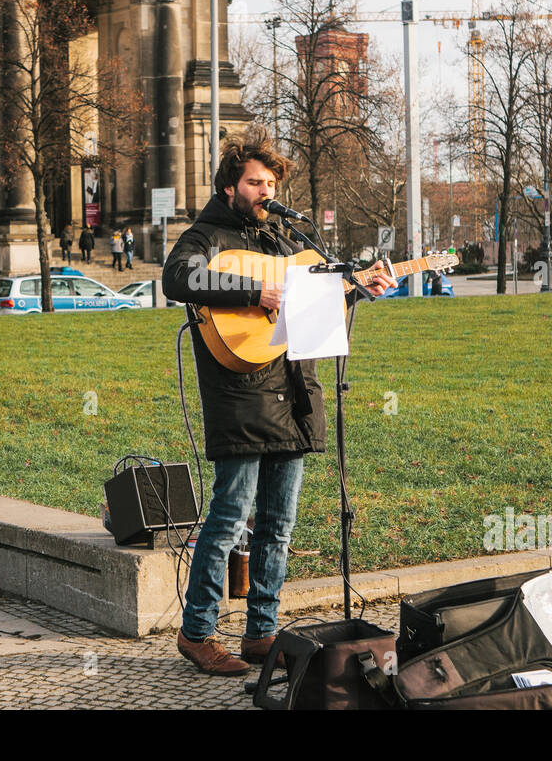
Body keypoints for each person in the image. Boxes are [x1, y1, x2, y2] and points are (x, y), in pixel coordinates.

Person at [162, 134, 394, 676]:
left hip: (294, 393)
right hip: (240, 395)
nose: (265, 191)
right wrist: (252, 294)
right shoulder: (207, 236)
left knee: (279, 524)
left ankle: (261, 633)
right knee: (228, 519)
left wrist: (361, 288)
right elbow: (177, 278)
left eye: (271, 183)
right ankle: (197, 633)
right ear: (229, 186)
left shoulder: (289, 239)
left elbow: (315, 299)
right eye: (255, 182)